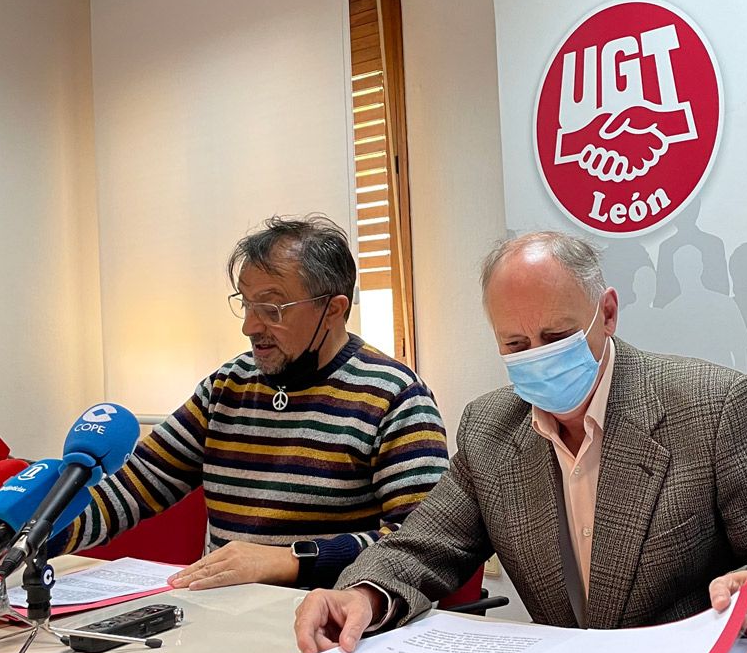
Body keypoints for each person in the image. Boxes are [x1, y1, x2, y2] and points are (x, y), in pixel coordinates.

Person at [294, 232, 747, 653]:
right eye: (515, 343)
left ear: (606, 313)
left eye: (557, 337)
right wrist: (363, 595)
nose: (537, 355)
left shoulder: (713, 406)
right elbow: (422, 547)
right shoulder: (491, 428)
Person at [51, 216, 450, 590]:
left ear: (333, 309)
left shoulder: (395, 397)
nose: (250, 327)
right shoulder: (227, 386)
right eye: (246, 304)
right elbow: (135, 487)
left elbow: (419, 544)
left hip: (333, 623)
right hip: (221, 615)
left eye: (271, 309)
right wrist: (30, 537)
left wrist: (288, 560)